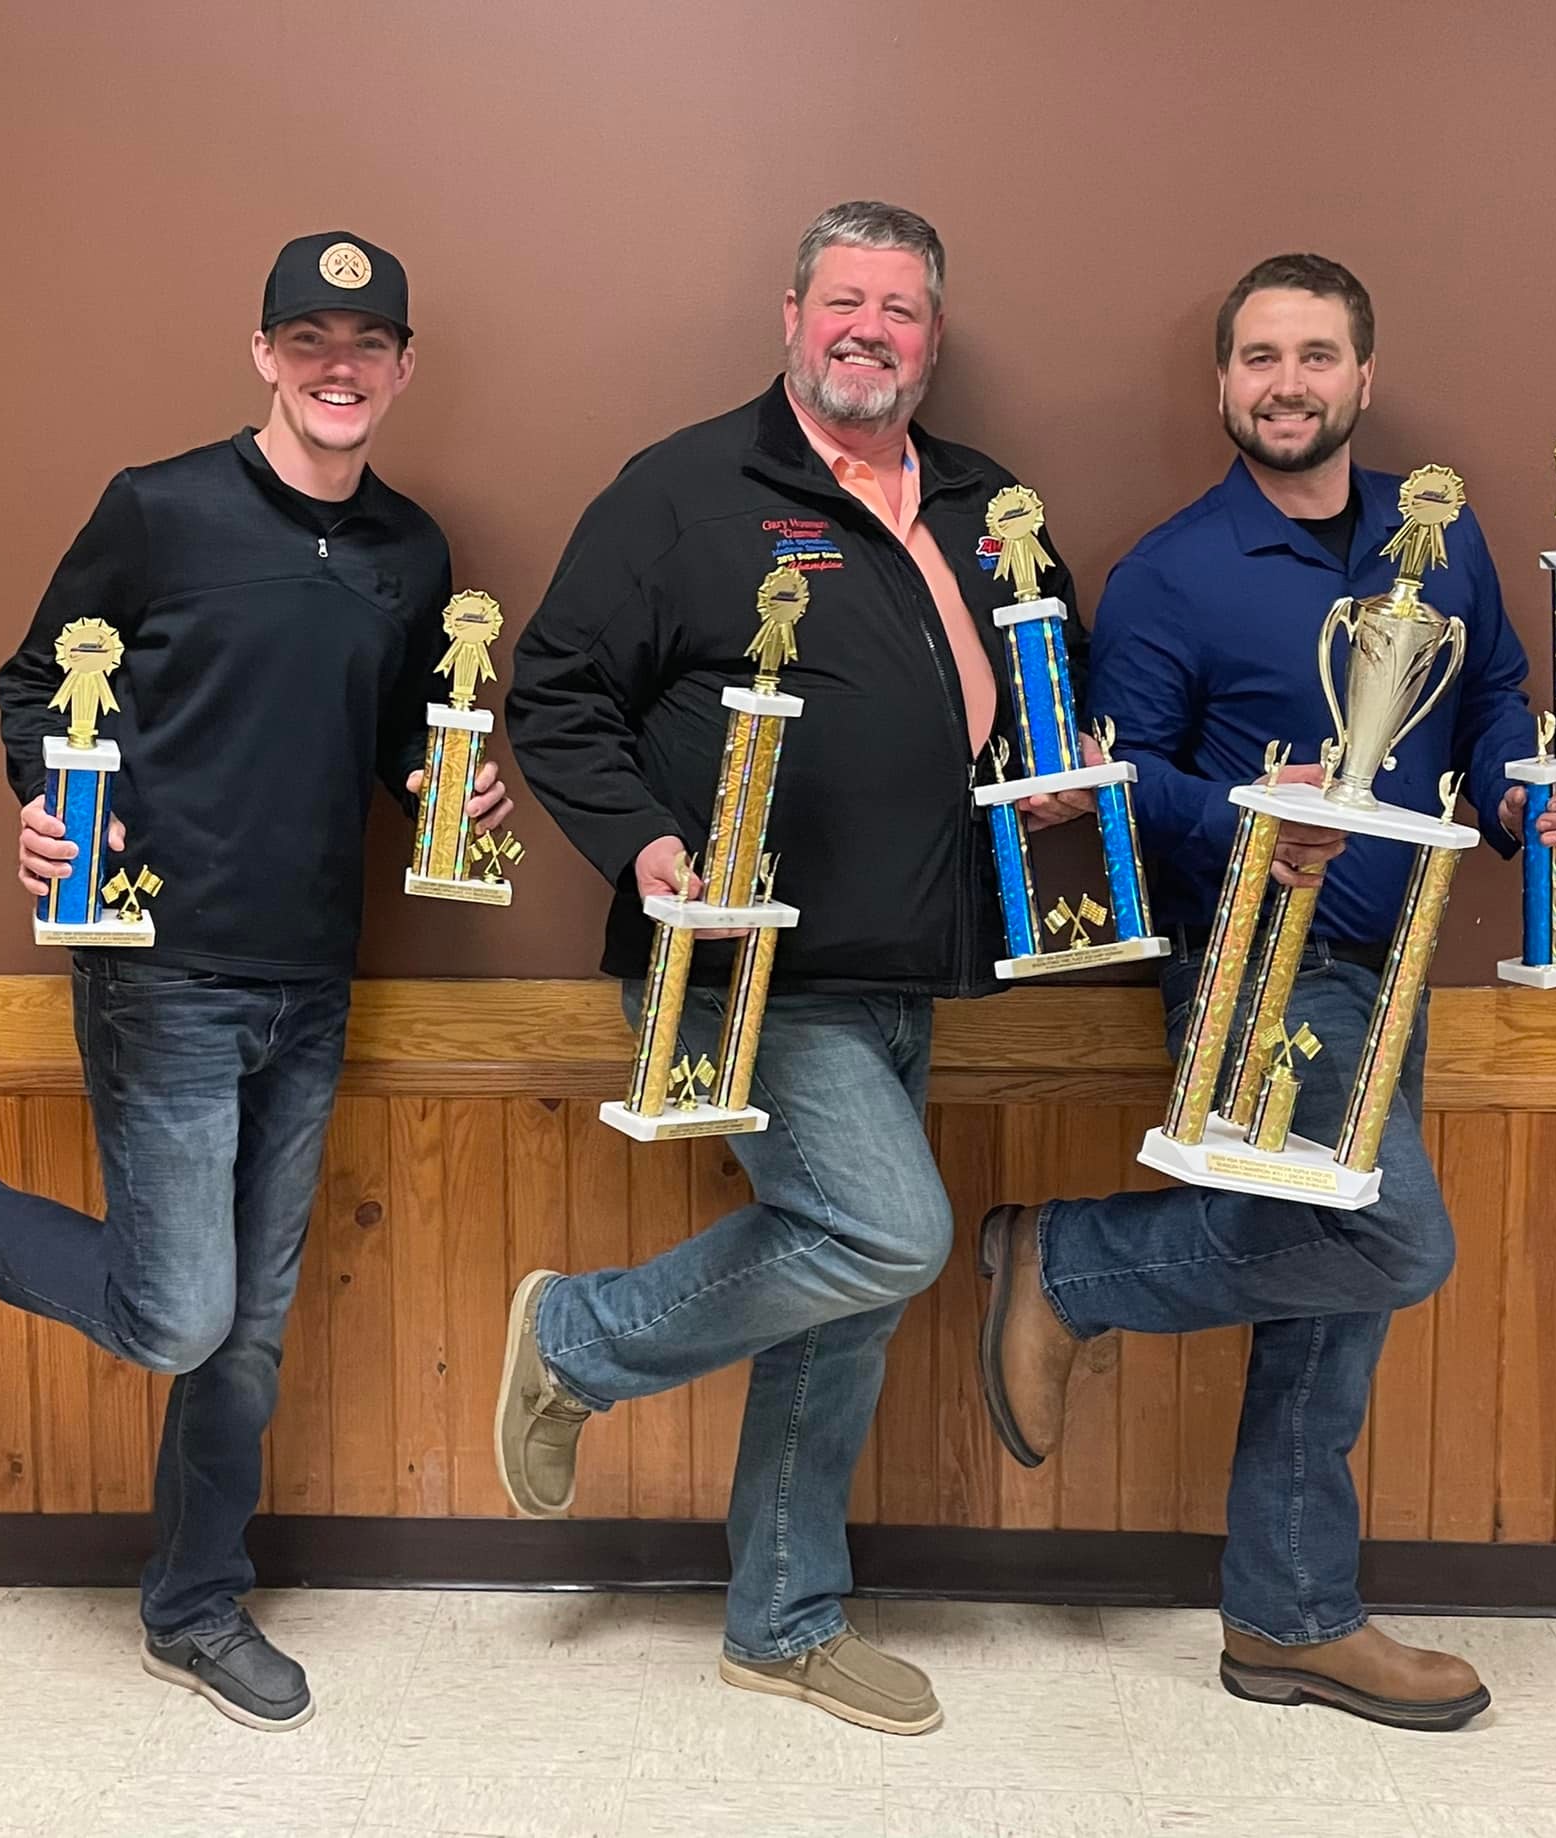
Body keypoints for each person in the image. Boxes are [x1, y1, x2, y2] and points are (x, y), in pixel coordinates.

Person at [0, 231, 512, 1732]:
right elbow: (35, 679)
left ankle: (194, 1607)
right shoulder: (161, 509)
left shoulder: (412, 554)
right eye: (309, 339)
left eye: (367, 344)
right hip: (165, 969)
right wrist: (43, 796)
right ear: (263, 353)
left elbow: (401, 731)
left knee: (248, 1332)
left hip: (313, 979)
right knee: (180, 1314)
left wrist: (445, 786)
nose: (338, 368)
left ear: (403, 368)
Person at [497, 200, 1093, 1736]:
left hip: (916, 962)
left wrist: (1053, 774)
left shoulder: (990, 502)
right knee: (894, 1232)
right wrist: (642, 843)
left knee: (844, 1294)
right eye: (845, 301)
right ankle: (576, 1340)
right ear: (791, 316)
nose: (868, 331)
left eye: (900, 309)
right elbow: (553, 690)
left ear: (933, 338)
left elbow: (1045, 679)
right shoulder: (688, 490)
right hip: (744, 968)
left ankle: (781, 1619)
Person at [975, 252, 1556, 1733]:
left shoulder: (1441, 537)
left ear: (1364, 378)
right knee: (1394, 1242)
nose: (1288, 383)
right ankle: (1065, 1265)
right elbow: (1120, 779)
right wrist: (1257, 811)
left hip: (1399, 964)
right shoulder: (1169, 572)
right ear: (1224, 383)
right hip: (1261, 966)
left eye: (1316, 356)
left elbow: (1491, 694)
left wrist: (1524, 793)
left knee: (1331, 1304)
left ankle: (1289, 1619)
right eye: (1260, 357)